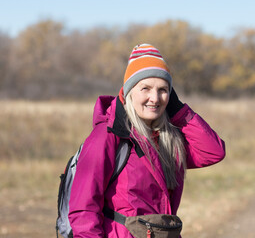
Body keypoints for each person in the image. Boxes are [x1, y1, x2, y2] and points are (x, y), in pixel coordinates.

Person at [68, 43, 226, 237]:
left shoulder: (168, 138)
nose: (155, 98)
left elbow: (213, 152)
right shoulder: (108, 136)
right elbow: (83, 210)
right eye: (145, 88)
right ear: (129, 91)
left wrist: (178, 110)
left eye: (163, 90)